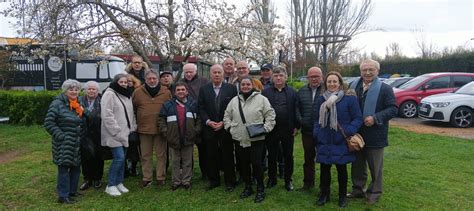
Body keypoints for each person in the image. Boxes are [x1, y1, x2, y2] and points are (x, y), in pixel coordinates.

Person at [347, 59, 398, 205]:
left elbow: (393, 109)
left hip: (375, 134)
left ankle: (374, 193)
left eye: (371, 70)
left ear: (377, 71)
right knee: (357, 165)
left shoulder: (385, 89)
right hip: (356, 133)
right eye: (364, 70)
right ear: (360, 71)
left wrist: (376, 118)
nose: (367, 73)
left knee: (375, 167)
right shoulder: (353, 86)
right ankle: (357, 189)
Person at [314, 71, 363, 208]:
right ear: (325, 83)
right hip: (325, 140)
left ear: (340, 83)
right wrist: (317, 133)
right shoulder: (321, 99)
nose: (332, 84)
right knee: (324, 170)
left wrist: (349, 130)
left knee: (342, 170)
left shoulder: (349, 99)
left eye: (335, 81)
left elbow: (358, 118)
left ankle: (342, 197)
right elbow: (316, 119)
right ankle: (324, 195)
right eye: (329, 81)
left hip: (340, 139)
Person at [224, 76, 276, 203]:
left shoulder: (262, 99)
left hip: (256, 138)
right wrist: (230, 128)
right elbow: (227, 115)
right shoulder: (234, 101)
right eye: (243, 84)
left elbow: (270, 114)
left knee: (257, 164)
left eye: (248, 84)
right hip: (239, 138)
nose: (245, 86)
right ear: (240, 86)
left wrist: (266, 128)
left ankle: (260, 189)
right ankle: (248, 187)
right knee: (244, 164)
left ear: (252, 85)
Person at [44, 79, 86, 204]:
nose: (74, 91)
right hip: (64, 143)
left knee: (76, 168)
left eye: (76, 89)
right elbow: (48, 123)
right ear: (65, 90)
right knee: (64, 169)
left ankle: (72, 191)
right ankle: (63, 196)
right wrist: (61, 136)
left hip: (76, 143)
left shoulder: (77, 103)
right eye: (71, 89)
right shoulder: (57, 103)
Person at [198, 64, 238, 191]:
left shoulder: (231, 89)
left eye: (219, 72)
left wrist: (223, 122)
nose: (216, 74)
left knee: (228, 155)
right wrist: (208, 121)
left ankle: (230, 181)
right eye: (214, 72)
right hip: (210, 128)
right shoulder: (204, 89)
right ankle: (214, 180)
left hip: (225, 127)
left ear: (223, 74)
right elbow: (201, 107)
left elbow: (234, 108)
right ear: (210, 74)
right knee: (211, 154)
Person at [262, 66, 300, 191]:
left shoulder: (293, 92)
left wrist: (296, 126)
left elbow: (296, 111)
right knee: (271, 155)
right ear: (272, 77)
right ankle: (272, 179)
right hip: (272, 129)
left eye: (281, 76)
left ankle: (288, 180)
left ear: (285, 77)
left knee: (288, 155)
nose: (278, 78)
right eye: (276, 76)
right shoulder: (266, 93)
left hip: (288, 129)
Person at [158, 82, 201, 191]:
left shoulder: (193, 104)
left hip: (189, 137)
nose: (181, 92)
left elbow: (199, 119)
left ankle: (186, 181)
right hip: (173, 138)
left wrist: (196, 131)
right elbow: (161, 119)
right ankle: (176, 181)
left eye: (183, 89)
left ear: (187, 91)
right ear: (175, 92)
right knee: (175, 161)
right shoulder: (167, 105)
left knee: (187, 161)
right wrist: (165, 132)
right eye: (178, 90)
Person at [133, 71, 172, 188]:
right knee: (145, 155)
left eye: (154, 78)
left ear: (158, 79)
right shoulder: (138, 92)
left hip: (160, 129)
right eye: (149, 78)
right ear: (145, 79)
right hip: (144, 129)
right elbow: (133, 109)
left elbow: (170, 109)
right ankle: (147, 178)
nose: (152, 80)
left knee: (161, 155)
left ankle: (161, 177)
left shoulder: (166, 92)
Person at [101, 74, 137, 196]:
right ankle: (110, 185)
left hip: (125, 133)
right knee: (119, 158)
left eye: (126, 82)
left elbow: (131, 113)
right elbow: (107, 114)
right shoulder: (109, 94)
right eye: (121, 82)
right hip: (114, 133)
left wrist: (132, 127)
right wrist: (115, 130)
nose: (124, 84)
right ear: (116, 82)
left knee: (123, 159)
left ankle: (119, 182)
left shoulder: (127, 95)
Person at [180, 63, 210, 180]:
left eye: (190, 72)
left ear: (195, 71)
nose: (188, 74)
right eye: (186, 72)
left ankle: (206, 172)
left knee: (203, 149)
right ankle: (188, 173)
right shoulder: (181, 82)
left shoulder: (204, 81)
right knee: (186, 149)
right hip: (186, 119)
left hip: (201, 118)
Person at [296, 66, 324, 191]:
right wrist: (301, 121)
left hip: (323, 130)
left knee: (323, 158)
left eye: (316, 76)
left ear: (321, 77)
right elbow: (297, 109)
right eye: (311, 76)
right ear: (307, 78)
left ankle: (324, 185)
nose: (314, 79)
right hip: (307, 131)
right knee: (308, 158)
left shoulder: (327, 90)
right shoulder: (302, 91)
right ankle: (308, 183)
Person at [79, 81, 104, 191]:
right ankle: (87, 179)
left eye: (94, 89)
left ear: (97, 91)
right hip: (83, 133)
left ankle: (98, 178)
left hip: (99, 132)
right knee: (85, 157)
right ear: (85, 90)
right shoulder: (79, 100)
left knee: (98, 156)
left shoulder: (102, 100)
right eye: (89, 89)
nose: (91, 91)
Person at [125, 73, 142, 177]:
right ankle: (125, 168)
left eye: (129, 81)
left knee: (134, 145)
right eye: (125, 82)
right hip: (122, 123)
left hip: (134, 121)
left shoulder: (136, 92)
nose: (127, 84)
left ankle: (134, 166)